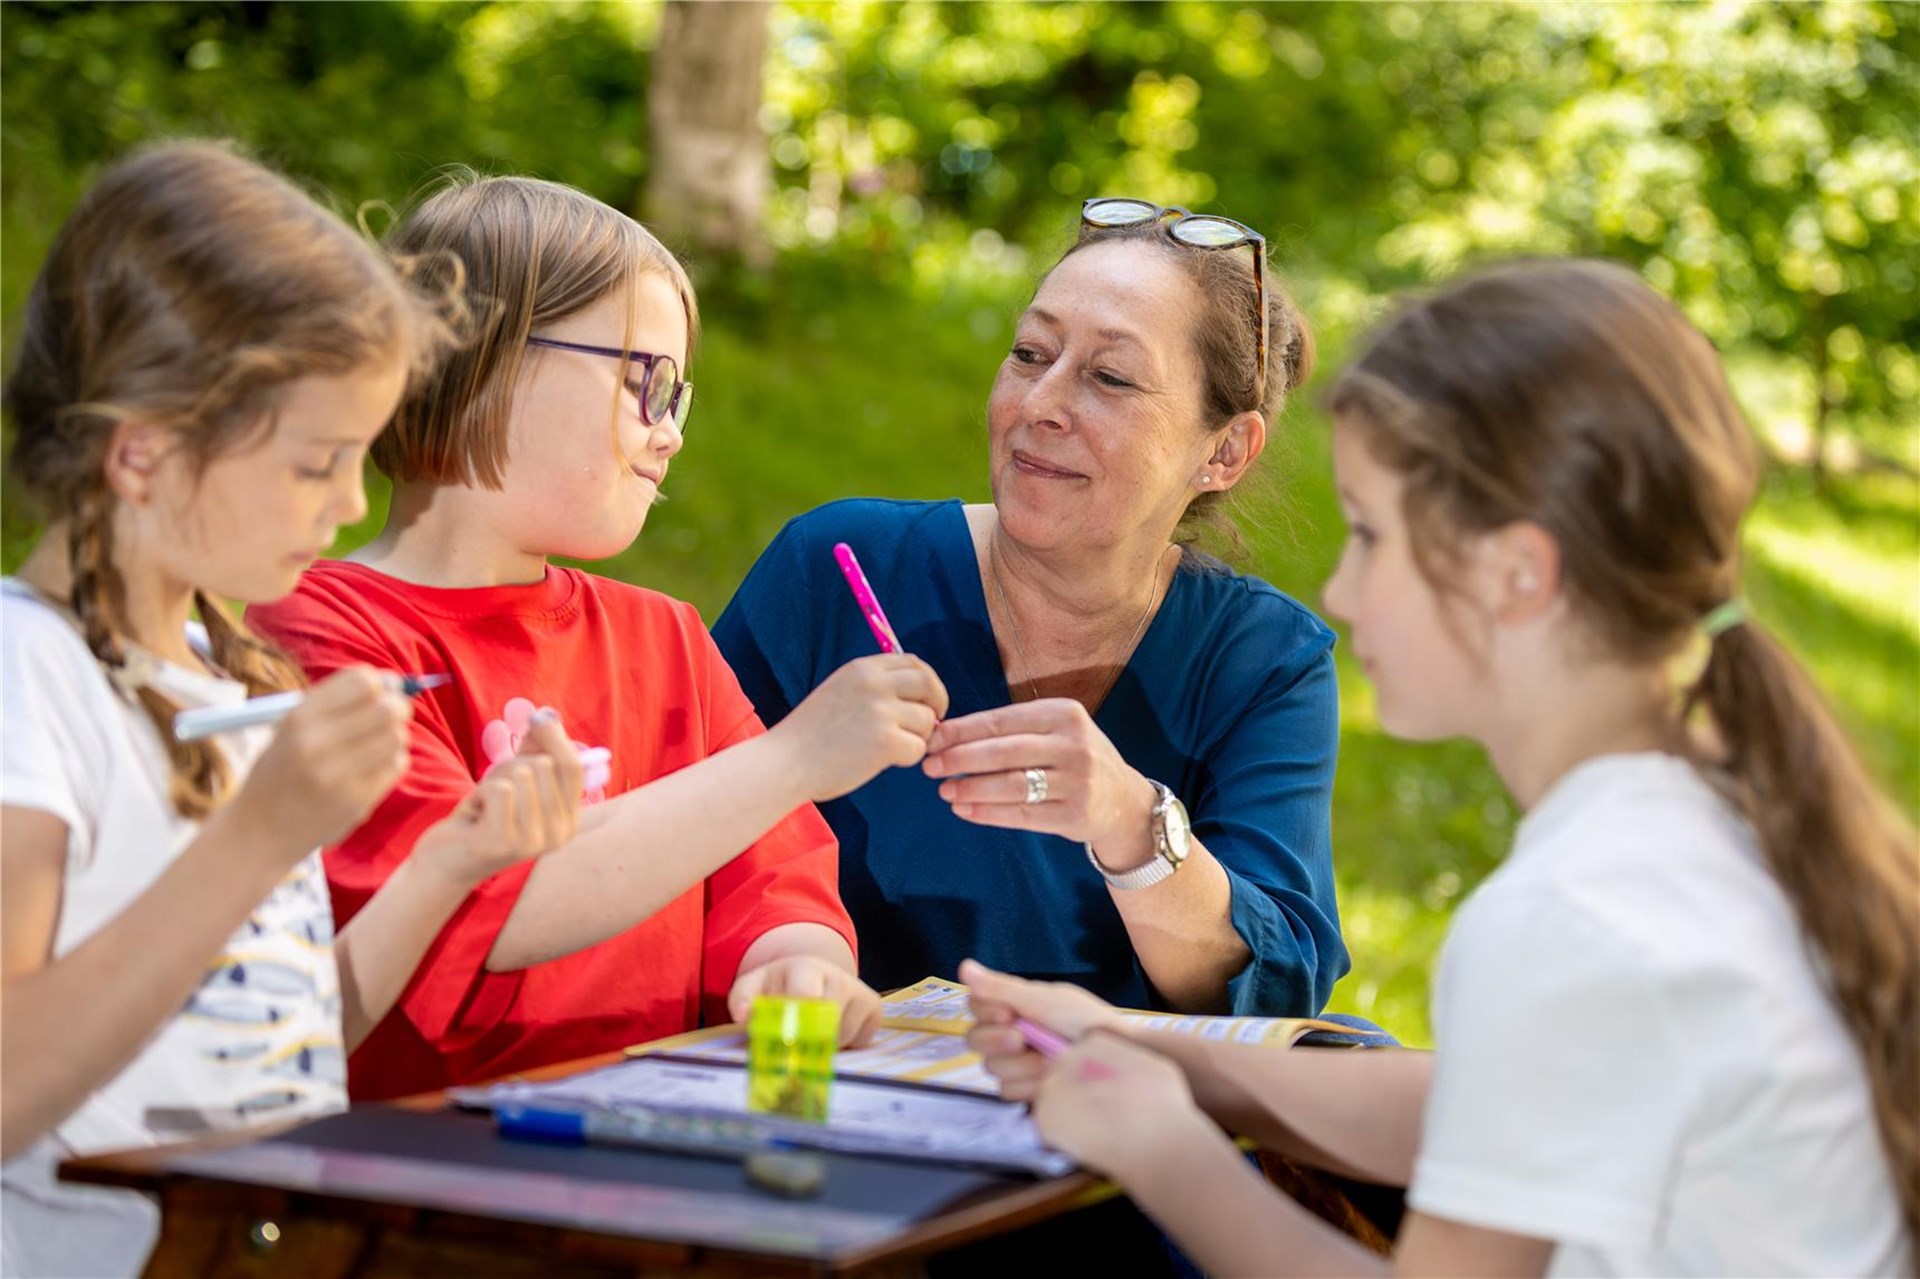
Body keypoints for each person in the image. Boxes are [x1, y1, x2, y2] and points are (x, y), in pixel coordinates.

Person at [963, 259, 1918, 1277]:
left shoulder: (1573, 912)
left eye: (1372, 535)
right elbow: (1473, 1102)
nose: (1341, 589)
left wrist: (1159, 1146)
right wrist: (1150, 1047)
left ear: (1517, 573)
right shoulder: (1715, 822)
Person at [0, 142, 582, 1279]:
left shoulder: (233, 685)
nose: (353, 501)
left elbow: (280, 1040)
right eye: (318, 462)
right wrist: (259, 834)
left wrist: (450, 862)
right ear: (143, 453)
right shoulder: (27, 675)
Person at [249, 174, 949, 1101]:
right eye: (643, 382)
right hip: (422, 1158)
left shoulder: (669, 638)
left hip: (659, 1134)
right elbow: (474, 907)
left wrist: (795, 961)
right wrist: (794, 758)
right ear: (483, 358)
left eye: (677, 397)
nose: (670, 435)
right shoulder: (317, 632)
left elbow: (777, 877)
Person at [714, 198, 1344, 1016]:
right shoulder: (838, 568)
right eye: (1029, 353)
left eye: (1110, 377)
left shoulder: (1262, 659)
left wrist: (1130, 822)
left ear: (1224, 450)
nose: (1038, 403)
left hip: (1098, 1097)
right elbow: (678, 835)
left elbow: (1271, 988)